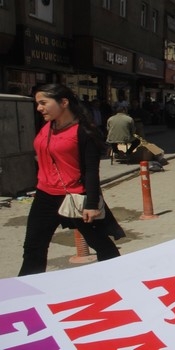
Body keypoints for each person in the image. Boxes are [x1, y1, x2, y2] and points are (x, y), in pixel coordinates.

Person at [19, 84, 124, 276]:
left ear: (63, 102)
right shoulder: (47, 127)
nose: (39, 108)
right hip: (44, 196)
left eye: (43, 103)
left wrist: (91, 204)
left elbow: (92, 171)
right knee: (33, 248)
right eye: (38, 103)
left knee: (101, 245)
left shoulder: (83, 132)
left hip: (76, 198)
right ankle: (26, 294)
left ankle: (119, 279)